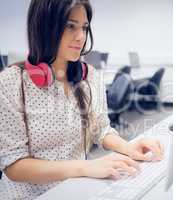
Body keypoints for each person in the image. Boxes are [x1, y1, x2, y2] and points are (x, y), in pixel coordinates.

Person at [0, 0, 163, 199]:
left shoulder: (90, 77)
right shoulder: (11, 82)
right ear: (44, 26)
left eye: (84, 28)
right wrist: (86, 166)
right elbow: (14, 166)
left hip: (76, 189)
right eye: (70, 26)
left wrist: (129, 148)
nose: (81, 37)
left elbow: (100, 130)